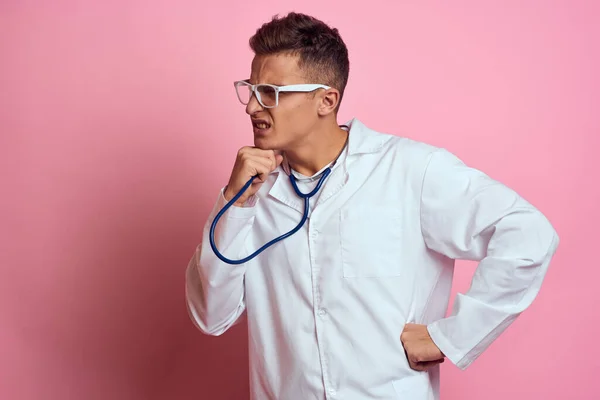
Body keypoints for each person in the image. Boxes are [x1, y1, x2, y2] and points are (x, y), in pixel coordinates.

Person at [185, 12, 559, 400]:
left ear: (326, 100)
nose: (252, 108)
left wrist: (450, 338)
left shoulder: (410, 170)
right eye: (251, 89)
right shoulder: (250, 195)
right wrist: (233, 203)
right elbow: (211, 316)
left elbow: (528, 234)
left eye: (271, 93)